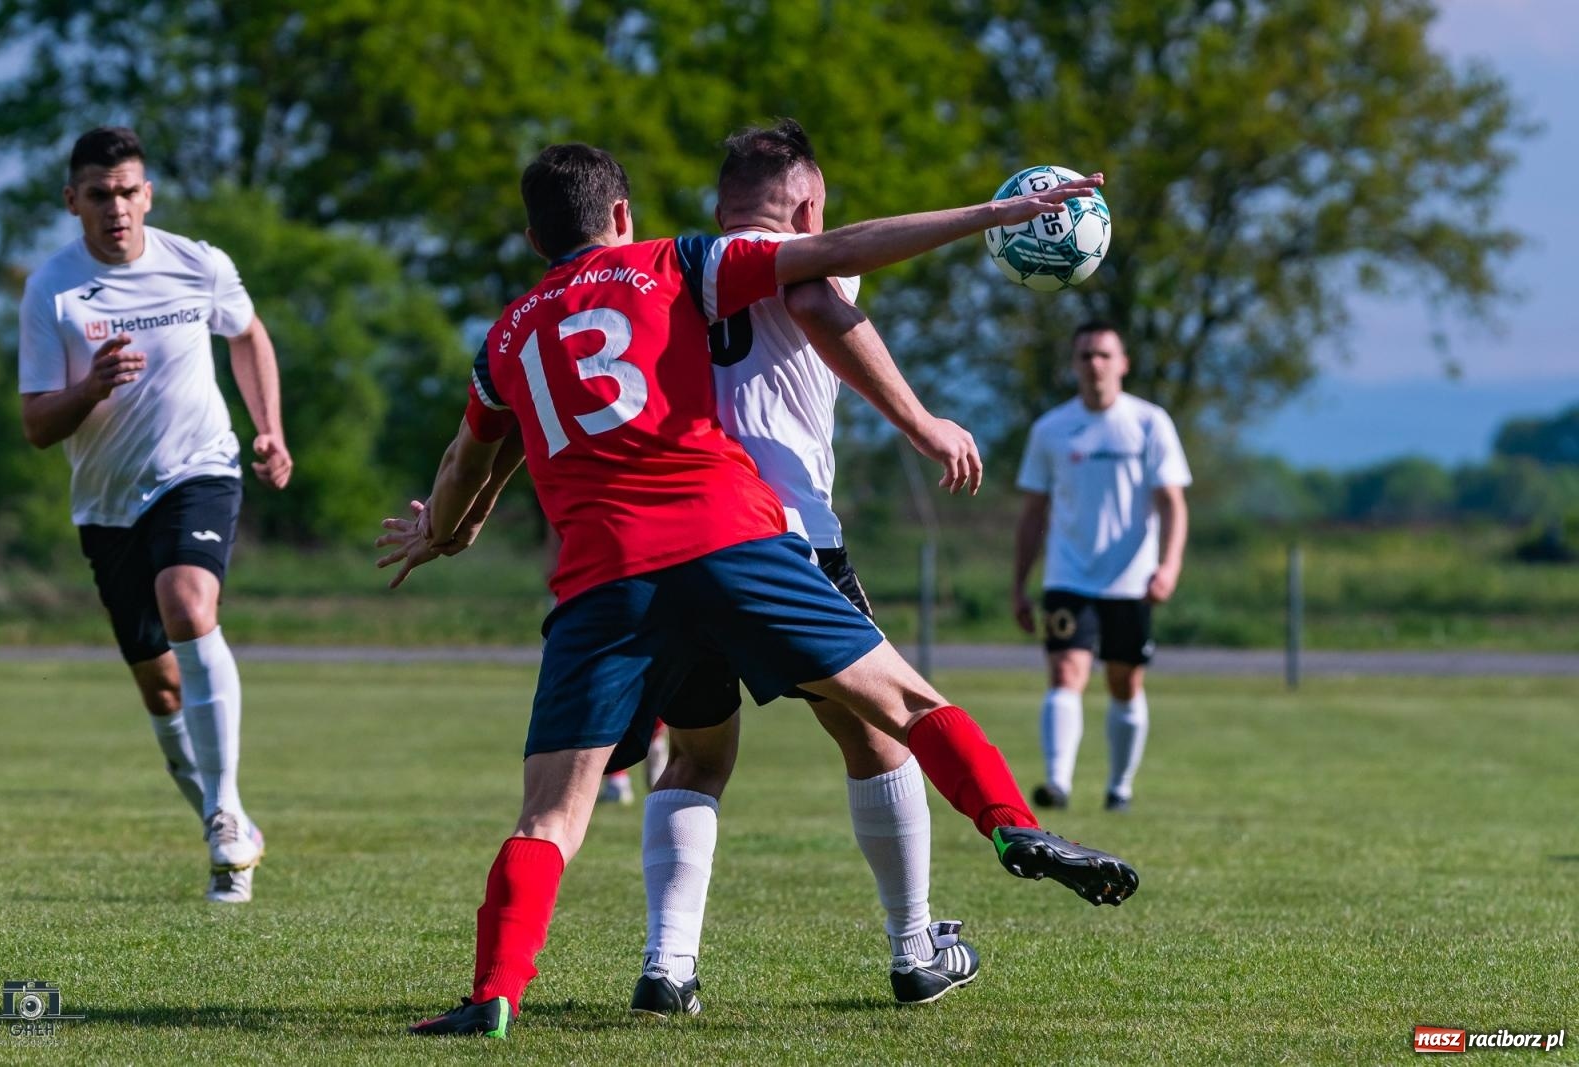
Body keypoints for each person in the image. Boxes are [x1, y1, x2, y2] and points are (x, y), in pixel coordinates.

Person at [378, 143, 1137, 1039]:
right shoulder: (675, 261)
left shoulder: (505, 336)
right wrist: (986, 217)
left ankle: (501, 990)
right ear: (622, 215)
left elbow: (470, 460)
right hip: (738, 540)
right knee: (902, 707)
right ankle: (1008, 828)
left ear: (534, 234)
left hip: (604, 581)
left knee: (560, 806)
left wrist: (445, 532)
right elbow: (832, 263)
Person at [626, 119, 988, 1017]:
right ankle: (915, 950)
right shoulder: (805, 256)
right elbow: (822, 307)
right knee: (880, 734)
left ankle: (668, 968)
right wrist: (924, 422)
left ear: (720, 207)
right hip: (787, 538)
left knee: (701, 755)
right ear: (811, 207)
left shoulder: (675, 271)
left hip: (680, 548)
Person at [17, 126, 292, 904]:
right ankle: (221, 824)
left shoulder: (197, 264)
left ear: (149, 195)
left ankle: (229, 815)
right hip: (107, 506)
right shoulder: (53, 291)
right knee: (161, 690)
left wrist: (268, 426)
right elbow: (38, 425)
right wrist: (92, 386)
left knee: (188, 600)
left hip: (197, 469)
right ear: (72, 201)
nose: (117, 208)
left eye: (129, 191)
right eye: (99, 195)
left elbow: (248, 334)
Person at [1011, 322, 1191, 814]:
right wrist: (1020, 584)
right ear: (1074, 365)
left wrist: (1168, 566)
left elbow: (1172, 503)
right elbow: (1032, 514)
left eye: (1104, 355)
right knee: (1067, 671)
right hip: (1068, 575)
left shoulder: (1150, 423)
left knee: (1124, 681)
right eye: (1085, 356)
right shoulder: (1050, 430)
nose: (1095, 365)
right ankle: (1057, 783)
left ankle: (1120, 787)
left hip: (1132, 580)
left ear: (1123, 363)